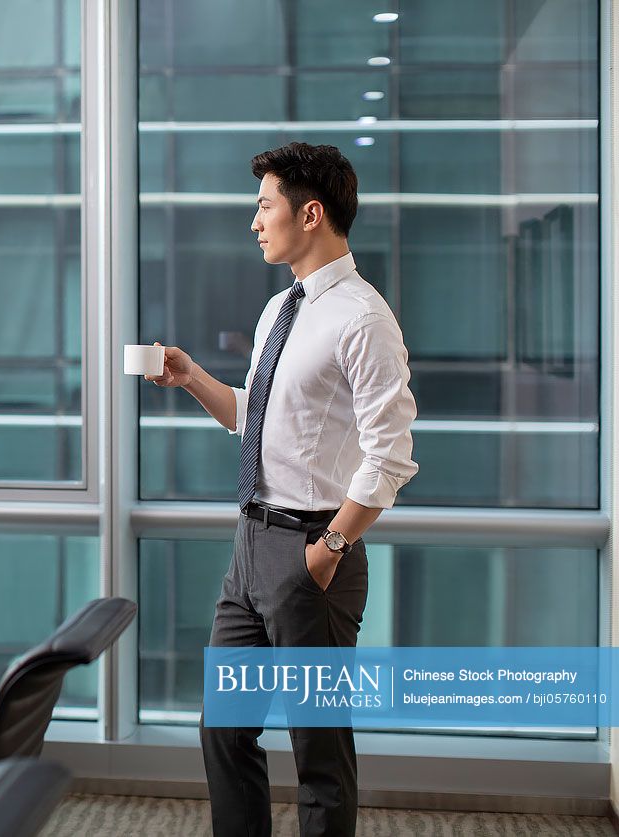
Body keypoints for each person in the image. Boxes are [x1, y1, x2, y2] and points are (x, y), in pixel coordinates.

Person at [147, 142, 418, 837]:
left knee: (318, 754)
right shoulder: (279, 310)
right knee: (224, 731)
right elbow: (258, 421)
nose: (254, 221)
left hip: (310, 554)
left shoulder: (362, 318)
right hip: (250, 549)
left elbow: (390, 455)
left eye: (264, 204)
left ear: (310, 213)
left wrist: (327, 549)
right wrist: (192, 378)